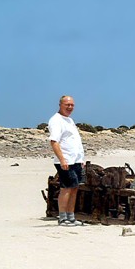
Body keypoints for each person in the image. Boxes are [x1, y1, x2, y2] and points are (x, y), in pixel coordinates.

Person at [48, 95, 86, 226]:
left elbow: (75, 141)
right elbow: (54, 142)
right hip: (65, 161)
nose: (70, 107)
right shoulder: (56, 120)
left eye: (72, 105)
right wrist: (62, 159)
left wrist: (81, 158)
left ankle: (71, 217)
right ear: (60, 105)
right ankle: (62, 218)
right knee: (66, 188)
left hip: (75, 160)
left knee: (74, 187)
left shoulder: (69, 120)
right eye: (67, 105)